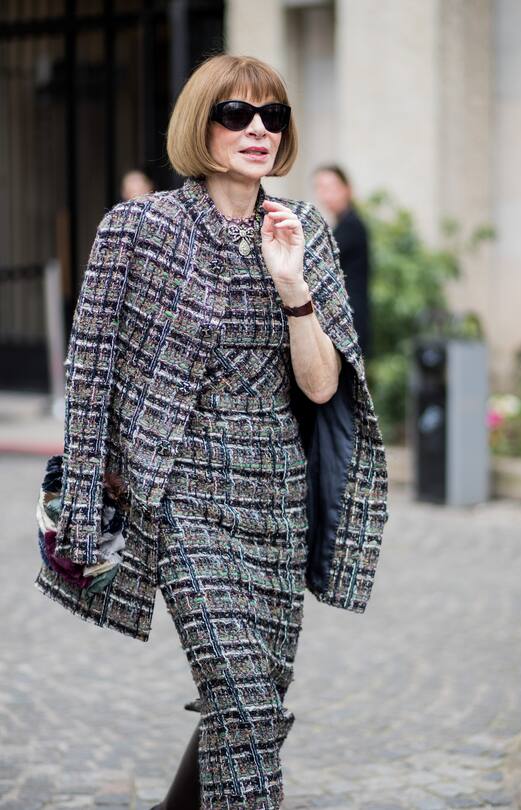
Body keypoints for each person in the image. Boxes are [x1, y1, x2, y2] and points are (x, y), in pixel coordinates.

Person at [34, 54, 388, 810]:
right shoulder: (138, 228)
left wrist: (293, 286)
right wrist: (87, 511)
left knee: (255, 701)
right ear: (203, 123)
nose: (258, 129)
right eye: (236, 114)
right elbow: (90, 372)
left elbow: (324, 385)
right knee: (242, 697)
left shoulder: (307, 231)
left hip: (277, 498)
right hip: (183, 496)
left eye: (273, 117)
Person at [313, 165, 372, 357]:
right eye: (320, 188)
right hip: (344, 316)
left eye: (331, 187)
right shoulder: (343, 224)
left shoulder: (351, 226)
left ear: (347, 189)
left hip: (350, 319)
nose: (325, 194)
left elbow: (320, 261)